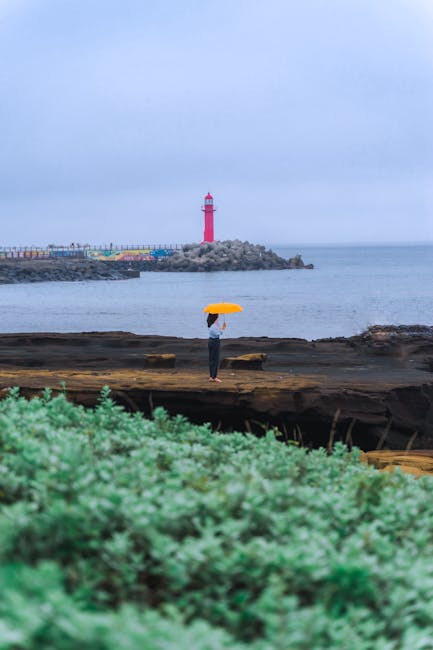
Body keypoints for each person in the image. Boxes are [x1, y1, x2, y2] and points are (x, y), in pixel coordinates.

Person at [207, 313, 226, 382]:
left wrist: (221, 327)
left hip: (213, 341)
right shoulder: (213, 325)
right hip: (214, 341)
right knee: (214, 359)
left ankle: (212, 376)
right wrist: (223, 329)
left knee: (212, 359)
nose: (218, 316)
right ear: (215, 316)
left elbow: (218, 332)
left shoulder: (214, 324)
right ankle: (213, 377)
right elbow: (218, 333)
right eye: (217, 315)